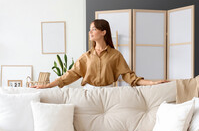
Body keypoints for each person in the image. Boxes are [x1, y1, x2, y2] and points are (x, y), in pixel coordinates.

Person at [31, 19, 169, 89]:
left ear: (104, 32)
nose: (90, 32)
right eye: (90, 29)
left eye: (94, 29)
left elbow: (130, 77)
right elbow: (70, 75)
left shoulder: (116, 55)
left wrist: (152, 83)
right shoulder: (86, 57)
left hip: (109, 93)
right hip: (89, 94)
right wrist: (47, 86)